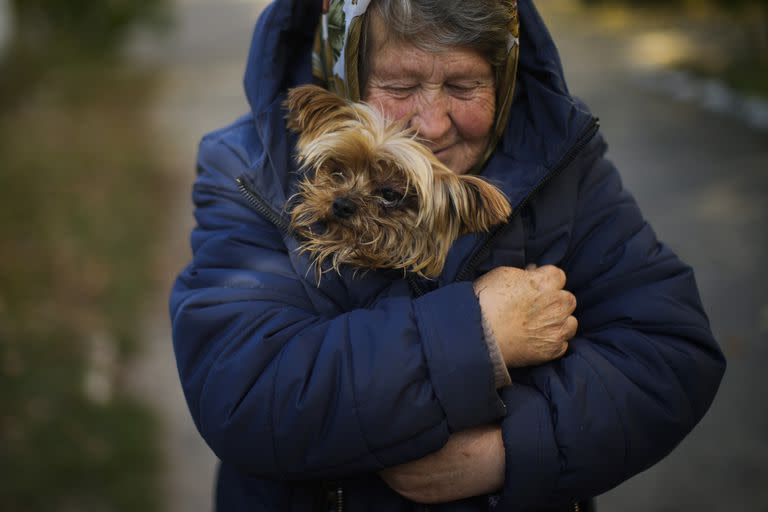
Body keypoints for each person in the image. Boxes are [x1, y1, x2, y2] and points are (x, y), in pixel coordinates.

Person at [169, 0, 726, 510]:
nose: (431, 124)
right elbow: (244, 394)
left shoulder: (559, 160)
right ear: (344, 71)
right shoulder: (247, 169)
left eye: (464, 86)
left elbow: (670, 356)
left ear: (503, 78)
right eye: (399, 83)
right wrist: (479, 331)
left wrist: (508, 452)